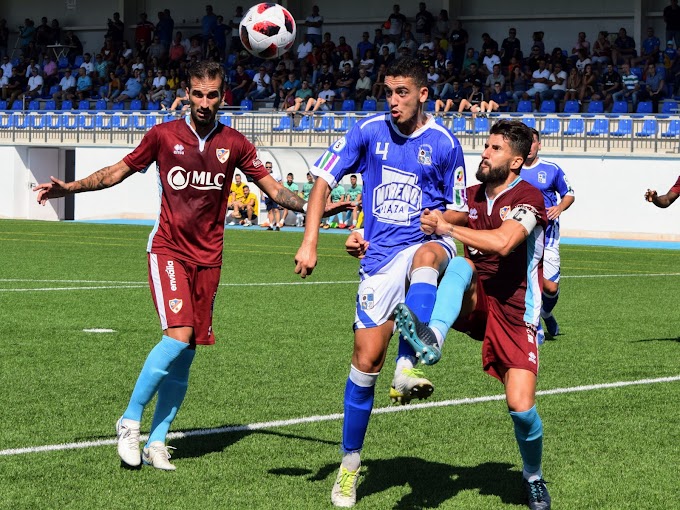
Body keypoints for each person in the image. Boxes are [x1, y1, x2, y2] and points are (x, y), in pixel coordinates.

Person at [34, 60, 316, 472]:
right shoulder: (164, 135)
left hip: (210, 258)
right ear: (187, 94)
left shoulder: (235, 143)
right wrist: (70, 187)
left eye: (212, 94)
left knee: (186, 354)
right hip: (168, 250)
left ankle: (158, 440)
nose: (204, 102)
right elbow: (119, 170)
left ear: (223, 96)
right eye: (198, 94)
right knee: (178, 334)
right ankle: (130, 422)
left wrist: (312, 207)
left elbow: (272, 188)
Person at [293, 56, 468, 508]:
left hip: (426, 242)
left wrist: (441, 218)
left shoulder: (446, 143)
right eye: (389, 92)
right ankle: (349, 468)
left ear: (423, 94)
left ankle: (409, 366)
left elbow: (462, 208)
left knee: (429, 255)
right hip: (379, 259)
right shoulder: (367, 131)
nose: (393, 101)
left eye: (402, 92)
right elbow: (322, 181)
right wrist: (311, 242)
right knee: (364, 363)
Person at [393, 119, 551, 510]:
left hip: (518, 312)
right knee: (461, 268)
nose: (484, 153)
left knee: (521, 408)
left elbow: (503, 242)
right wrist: (371, 238)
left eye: (495, 149)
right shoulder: (471, 195)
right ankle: (433, 340)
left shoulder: (530, 197)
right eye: (485, 146)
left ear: (515, 161)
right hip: (476, 300)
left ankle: (532, 477)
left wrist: (450, 228)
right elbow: (431, 221)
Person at [520, 128, 574, 338]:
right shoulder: (512, 169)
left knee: (550, 288)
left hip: (549, 236)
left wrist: (559, 207)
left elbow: (569, 194)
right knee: (527, 281)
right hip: (522, 235)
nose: (529, 146)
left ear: (539, 145)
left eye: (533, 142)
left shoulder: (551, 169)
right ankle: (535, 325)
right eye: (525, 142)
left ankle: (546, 314)